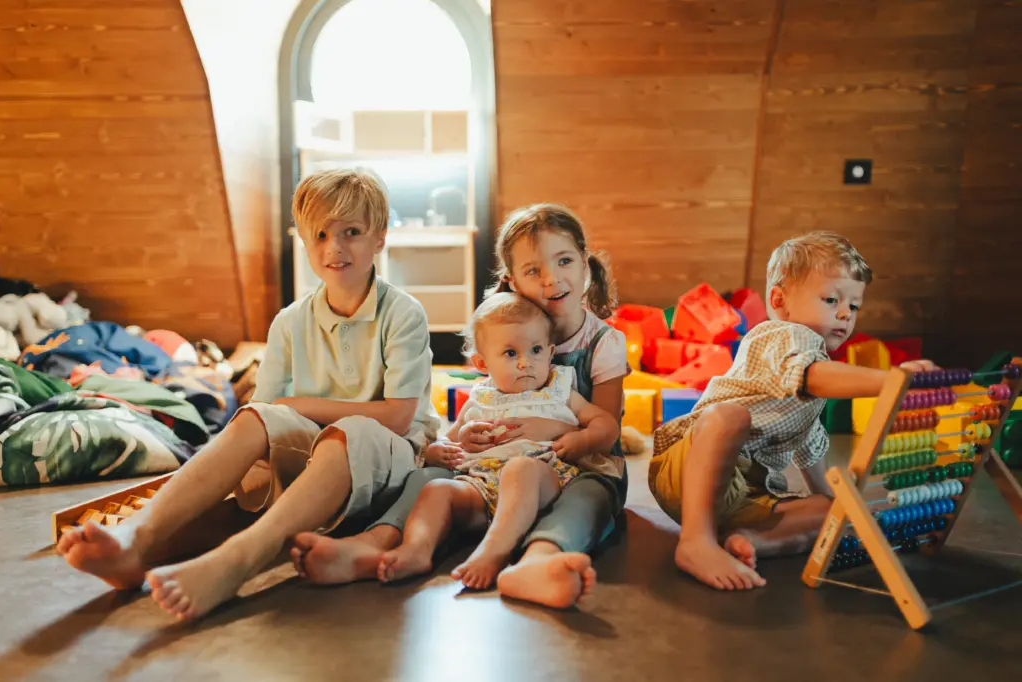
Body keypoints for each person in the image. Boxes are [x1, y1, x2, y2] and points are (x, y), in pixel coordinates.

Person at [58, 168, 439, 620]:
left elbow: (396, 418)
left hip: (394, 455)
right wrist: (248, 473)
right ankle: (135, 540)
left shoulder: (403, 314)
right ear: (303, 240)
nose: (334, 248)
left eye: (351, 232)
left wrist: (297, 407)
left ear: (379, 239)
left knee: (349, 430)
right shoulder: (290, 321)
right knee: (255, 418)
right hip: (319, 456)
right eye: (319, 235)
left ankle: (234, 562)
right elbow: (265, 412)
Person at [292, 204, 629, 609]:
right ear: (513, 282)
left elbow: (604, 431)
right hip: (489, 474)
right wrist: (460, 441)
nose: (552, 279)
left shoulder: (601, 342)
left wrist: (556, 432)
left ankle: (539, 561)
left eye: (564, 261)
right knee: (431, 479)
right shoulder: (503, 328)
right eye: (533, 270)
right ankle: (378, 545)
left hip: (577, 467)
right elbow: (481, 409)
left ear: (585, 264)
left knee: (589, 497)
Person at [649, 231, 935, 591]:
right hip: (688, 466)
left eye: (854, 306)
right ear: (779, 301)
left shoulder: (813, 374)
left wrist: (834, 506)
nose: (845, 314)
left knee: (829, 513)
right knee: (730, 416)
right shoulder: (781, 335)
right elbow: (813, 378)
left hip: (744, 496)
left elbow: (810, 447)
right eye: (831, 299)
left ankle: (749, 541)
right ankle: (695, 541)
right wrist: (892, 380)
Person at [376, 293, 618, 590]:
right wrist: (446, 446)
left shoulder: (558, 387)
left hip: (542, 478)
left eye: (536, 350)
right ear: (481, 362)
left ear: (551, 351)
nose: (525, 363)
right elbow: (446, 442)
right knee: (437, 489)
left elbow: (606, 424)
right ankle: (416, 549)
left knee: (519, 469)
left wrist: (581, 438)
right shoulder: (481, 396)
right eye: (510, 353)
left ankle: (494, 551)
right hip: (482, 484)